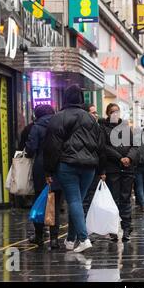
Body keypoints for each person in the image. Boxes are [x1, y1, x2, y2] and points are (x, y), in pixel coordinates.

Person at [43, 84, 103, 253]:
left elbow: (51, 146)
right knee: (76, 201)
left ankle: (83, 239)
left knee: (74, 201)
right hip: (89, 166)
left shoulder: (58, 117)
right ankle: (70, 240)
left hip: (67, 165)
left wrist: (48, 170)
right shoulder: (91, 118)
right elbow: (100, 144)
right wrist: (101, 168)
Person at [25, 105, 63, 249]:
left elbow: (30, 149)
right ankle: (54, 239)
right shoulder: (60, 125)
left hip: (41, 168)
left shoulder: (37, 127)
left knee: (40, 202)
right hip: (59, 166)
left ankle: (39, 236)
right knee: (55, 203)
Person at [100, 103, 138, 242]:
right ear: (108, 113)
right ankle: (114, 229)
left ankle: (127, 228)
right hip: (113, 169)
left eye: (117, 111)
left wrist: (129, 157)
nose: (115, 114)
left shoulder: (126, 127)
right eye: (112, 111)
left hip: (127, 169)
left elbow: (135, 146)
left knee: (125, 199)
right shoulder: (103, 129)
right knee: (114, 200)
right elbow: (104, 147)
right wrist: (120, 158)